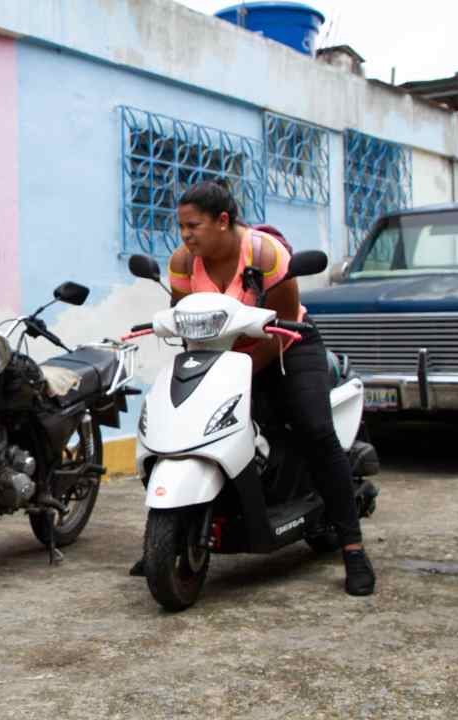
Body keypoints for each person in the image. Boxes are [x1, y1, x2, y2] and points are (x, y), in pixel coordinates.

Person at [129, 180, 375, 596]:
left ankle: (353, 547)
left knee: (315, 430)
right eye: (182, 227)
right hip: (222, 355)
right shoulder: (183, 263)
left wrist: (238, 369)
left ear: (223, 222)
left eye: (194, 226)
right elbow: (185, 321)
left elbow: (283, 327)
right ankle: (175, 534)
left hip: (285, 345)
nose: (185, 235)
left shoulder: (264, 254)